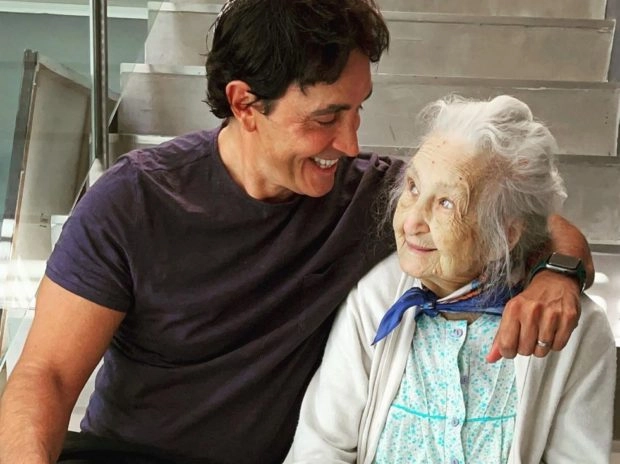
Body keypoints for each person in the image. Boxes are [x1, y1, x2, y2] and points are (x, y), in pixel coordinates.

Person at [0, 2, 595, 464]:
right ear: (245, 104)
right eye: (326, 117)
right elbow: (43, 376)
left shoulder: (373, 197)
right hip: (132, 455)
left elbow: (519, 219)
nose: (351, 143)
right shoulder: (133, 201)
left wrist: (558, 275)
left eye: (358, 109)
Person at [286, 95, 615, 464]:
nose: (412, 221)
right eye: (413, 187)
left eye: (446, 203)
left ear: (504, 236)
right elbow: (321, 446)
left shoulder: (571, 328)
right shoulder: (375, 299)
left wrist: (561, 273)